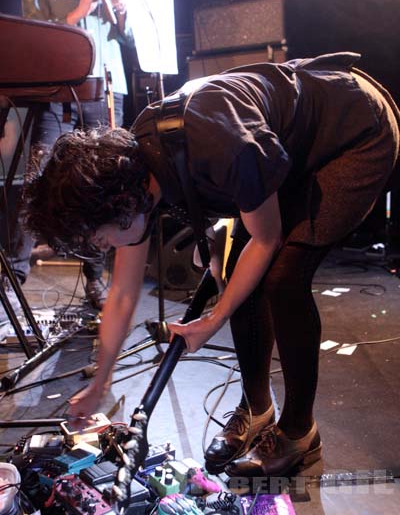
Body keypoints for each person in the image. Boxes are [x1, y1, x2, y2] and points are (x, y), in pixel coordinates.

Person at [21, 53, 399, 477]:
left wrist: (212, 319)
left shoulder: (219, 147)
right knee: (243, 272)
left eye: (98, 236)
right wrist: (100, 383)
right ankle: (258, 409)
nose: (101, 244)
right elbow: (124, 295)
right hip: (292, 142)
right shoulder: (130, 174)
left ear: (123, 205)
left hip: (356, 131)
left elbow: (266, 236)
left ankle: (298, 435)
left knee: (282, 278)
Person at [4, 0, 133, 310]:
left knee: (101, 182)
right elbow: (37, 41)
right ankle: (14, 274)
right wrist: (79, 11)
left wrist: (119, 8)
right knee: (35, 177)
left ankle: (95, 277)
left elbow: (128, 38)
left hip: (104, 90)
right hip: (55, 93)